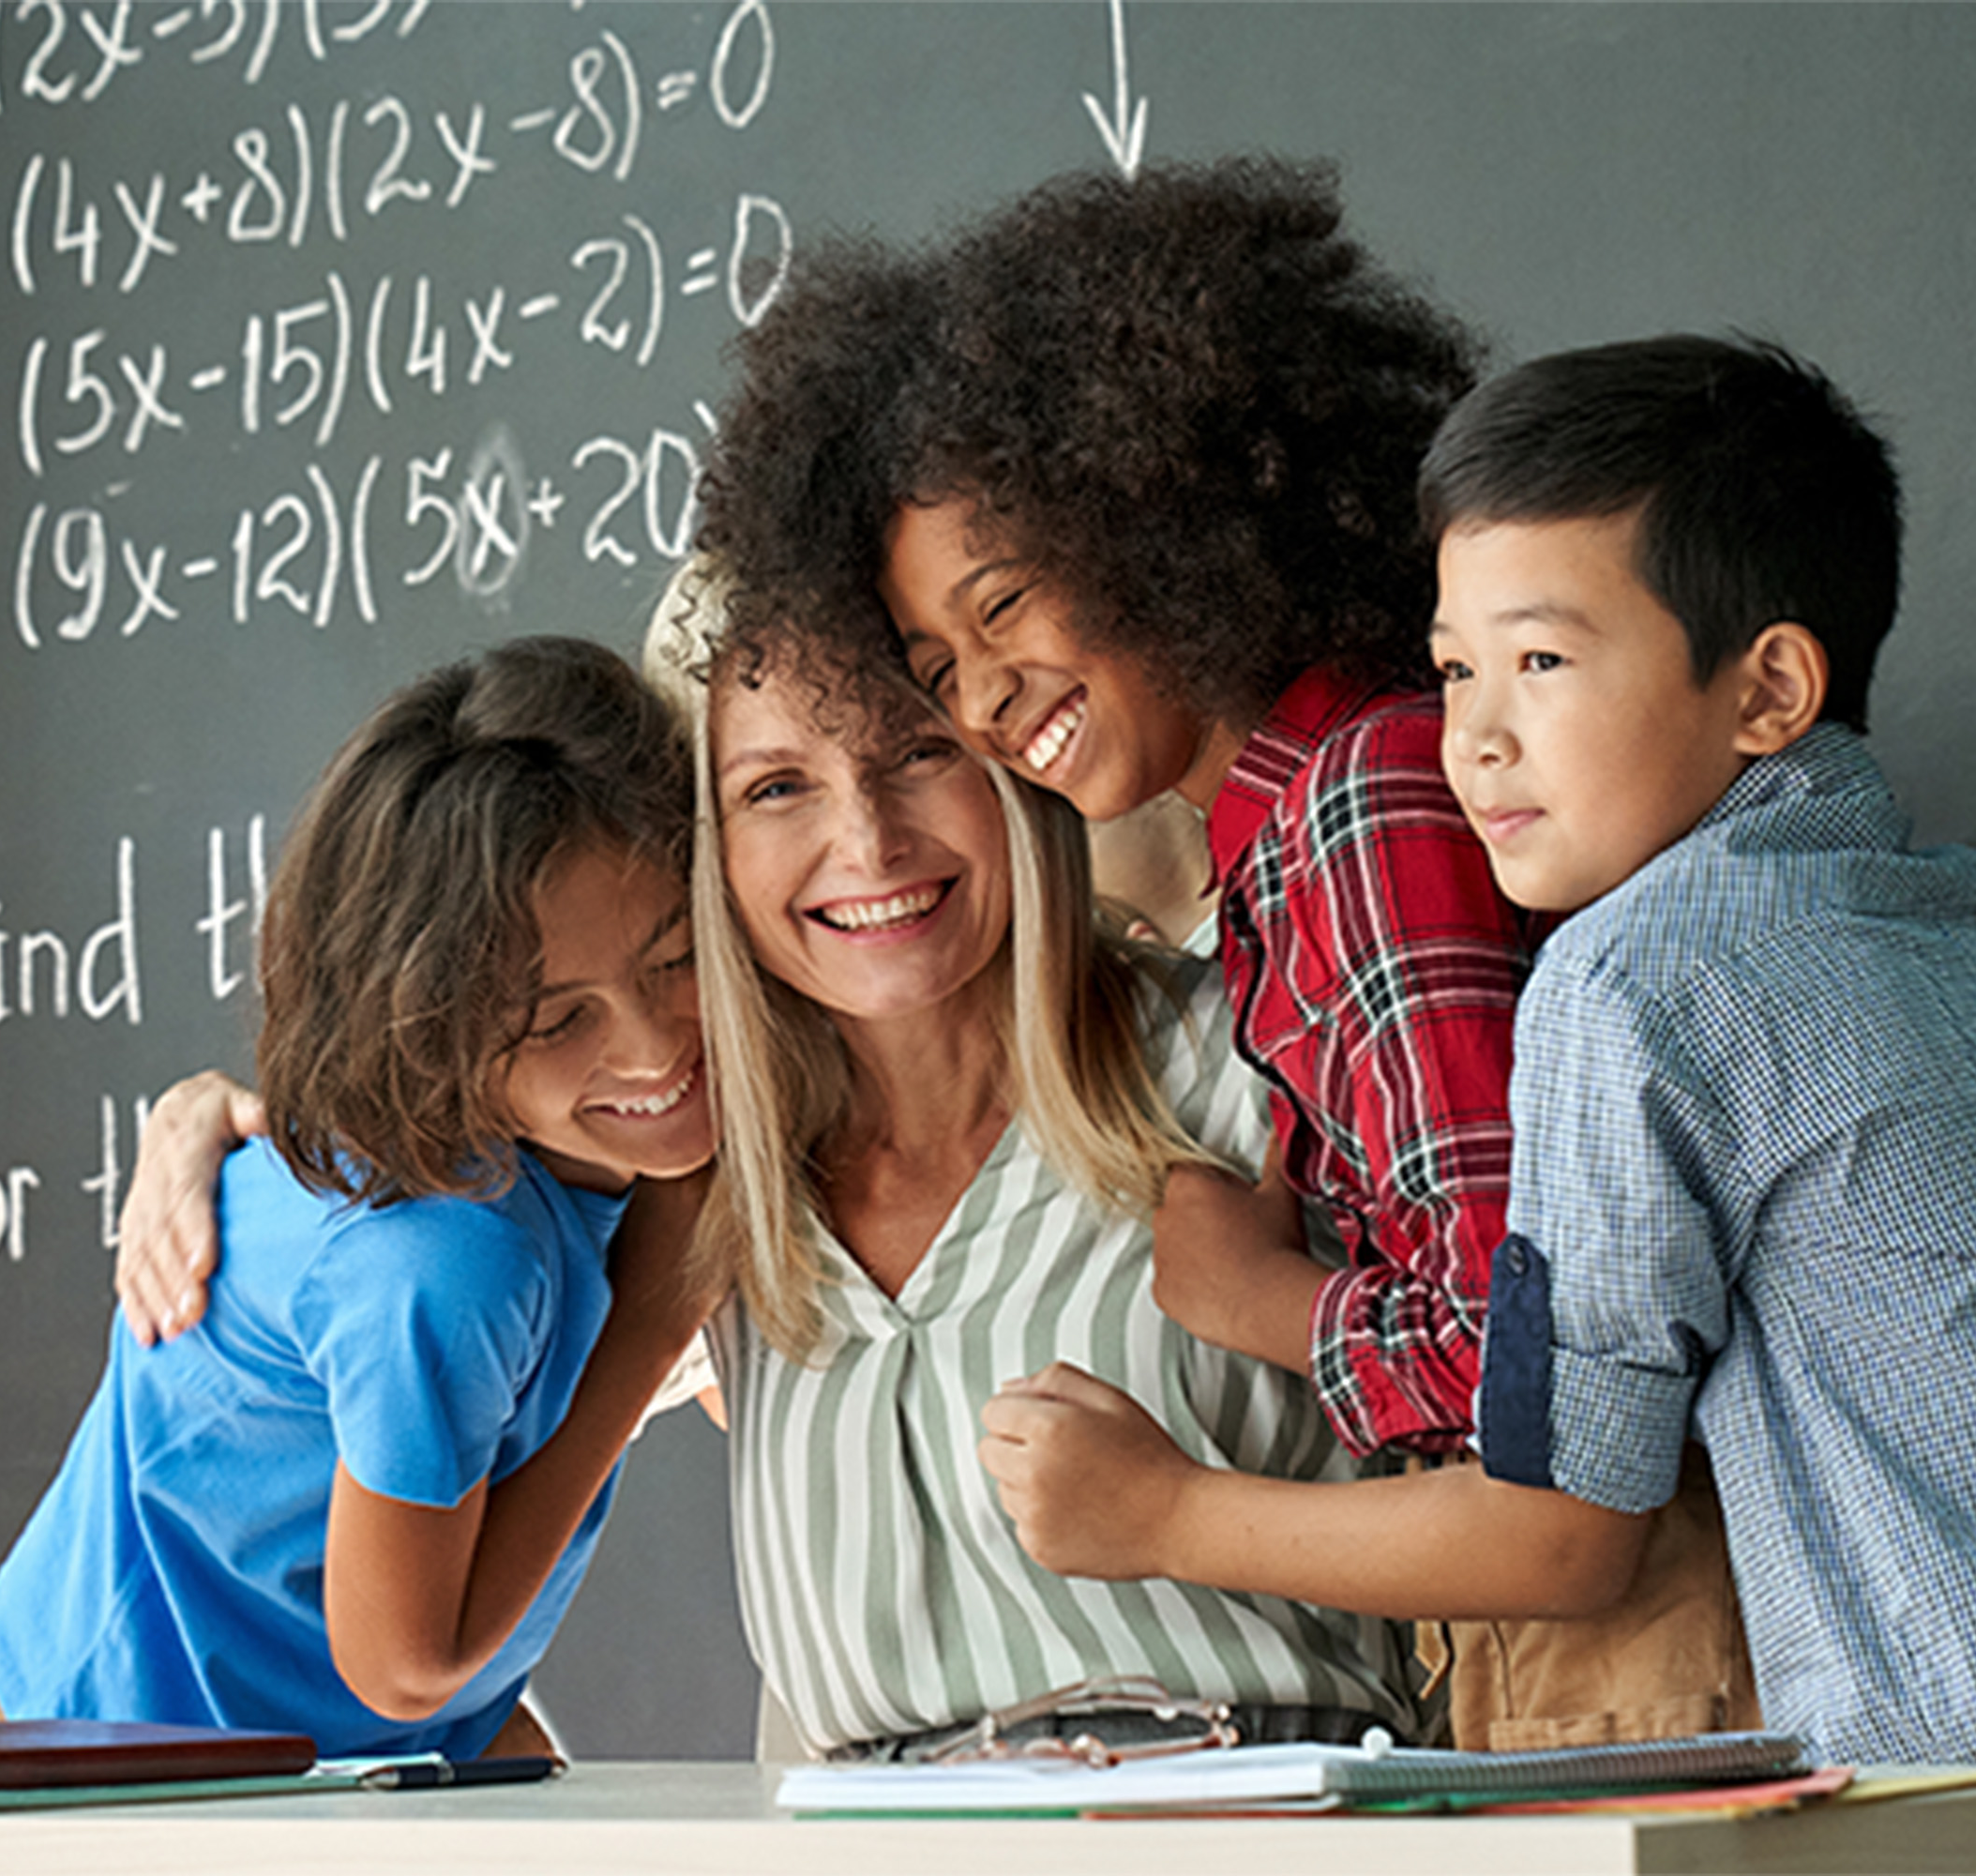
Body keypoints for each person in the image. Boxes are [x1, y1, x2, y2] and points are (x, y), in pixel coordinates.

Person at [694, 158, 1756, 1750]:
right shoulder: (1286, 837)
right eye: (939, 664)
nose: (985, 699)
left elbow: (1511, 1383)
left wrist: (1252, 1304)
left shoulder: (1367, 808)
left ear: (1160, 521)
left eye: (1005, 610)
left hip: (1619, 1654)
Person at [116, 565, 1425, 1763]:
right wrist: (218, 1122)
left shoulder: (1260, 1059)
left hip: (1259, 1812)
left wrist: (1188, 1508)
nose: (865, 843)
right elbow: (411, 1107)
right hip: (851, 1830)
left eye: (919, 751)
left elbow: (1557, 1491)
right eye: (775, 788)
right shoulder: (704, 1180)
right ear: (705, 849)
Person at [974, 335, 1976, 1765]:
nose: (1475, 742)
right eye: (1452, 671)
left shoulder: (1630, 983)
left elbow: (1563, 1536)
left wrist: (1163, 1512)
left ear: (1766, 692)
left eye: (1545, 661)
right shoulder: (1945, 915)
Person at [0, 638, 718, 1760]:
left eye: (678, 958)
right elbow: (405, 1664)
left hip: (319, 1696)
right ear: (440, 1031)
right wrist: (656, 1319)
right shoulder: (448, 1254)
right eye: (560, 1019)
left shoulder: (625, 1151)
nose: (655, 1043)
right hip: (123, 1726)